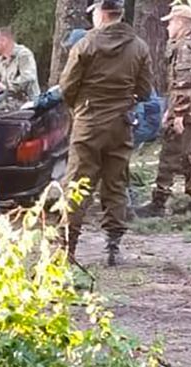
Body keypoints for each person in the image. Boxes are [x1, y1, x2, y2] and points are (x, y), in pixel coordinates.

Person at [59, 0, 152, 267]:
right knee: (115, 183)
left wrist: (81, 107)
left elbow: (67, 86)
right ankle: (113, 247)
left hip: (88, 122)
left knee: (77, 183)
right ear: (120, 13)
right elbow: (145, 90)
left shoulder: (86, 44)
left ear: (100, 13)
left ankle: (68, 248)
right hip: (121, 124)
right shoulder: (139, 47)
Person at [137, 5, 191, 217]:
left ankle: (159, 202)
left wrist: (178, 113)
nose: (168, 27)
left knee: (170, 155)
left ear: (181, 23)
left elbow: (184, 82)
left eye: (171, 22)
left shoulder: (184, 47)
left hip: (187, 111)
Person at [0, 27, 40, 112]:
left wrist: (5, 87)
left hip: (28, 105)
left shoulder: (23, 55)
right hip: (7, 106)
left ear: (3, 41)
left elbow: (28, 78)